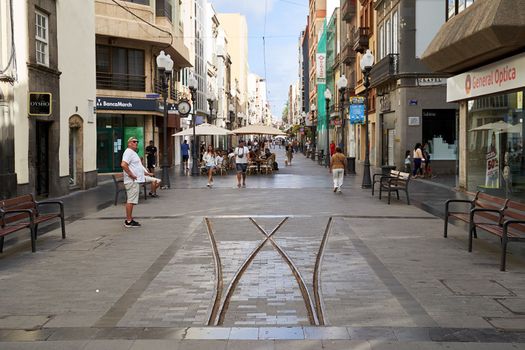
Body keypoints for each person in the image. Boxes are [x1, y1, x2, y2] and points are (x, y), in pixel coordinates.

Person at [121, 137, 144, 227]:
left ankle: (129, 219)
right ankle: (129, 221)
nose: (136, 143)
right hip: (132, 181)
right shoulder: (128, 152)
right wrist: (131, 175)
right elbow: (123, 164)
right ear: (129, 143)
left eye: (137, 142)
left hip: (134, 181)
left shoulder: (132, 152)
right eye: (134, 141)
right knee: (130, 201)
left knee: (131, 201)